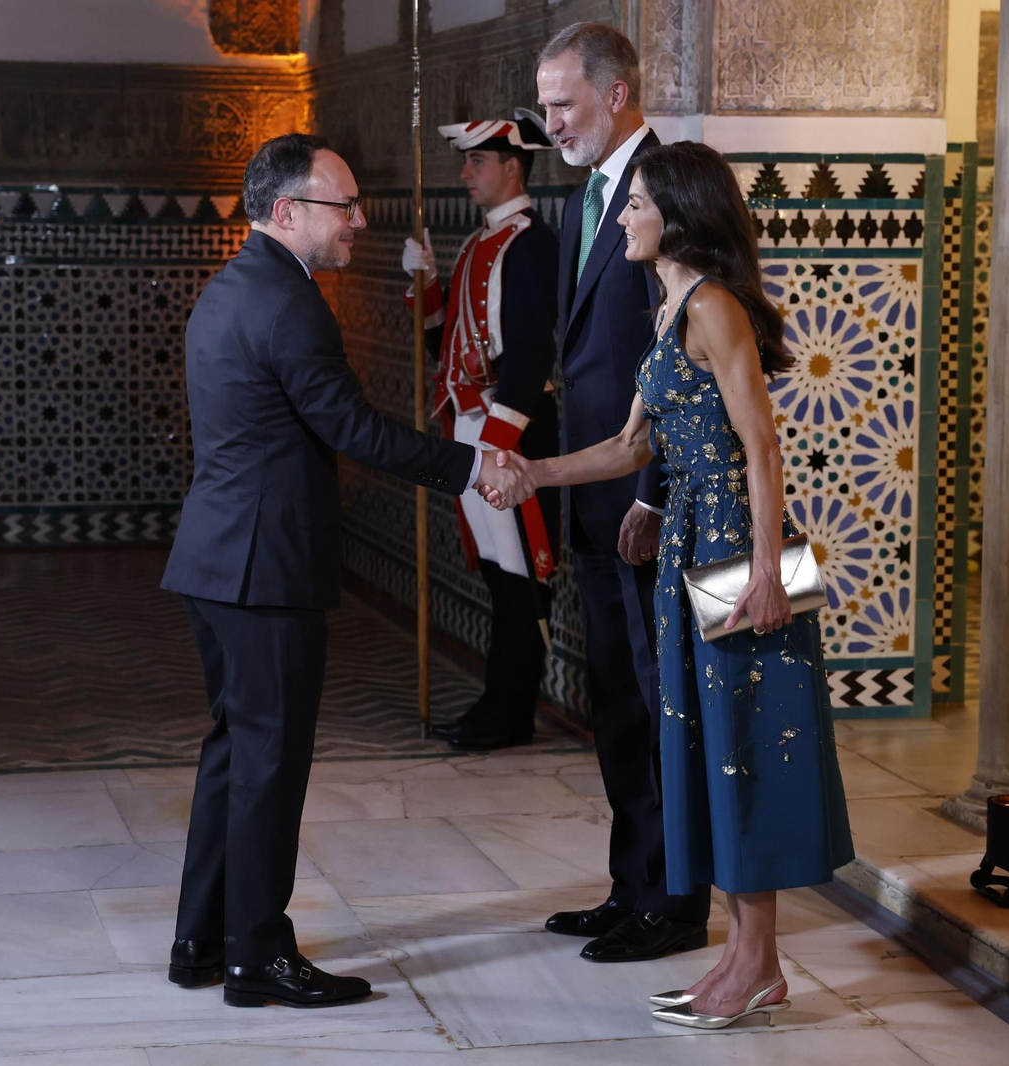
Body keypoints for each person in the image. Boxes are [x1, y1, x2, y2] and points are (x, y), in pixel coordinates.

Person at [490, 140, 854, 1028]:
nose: (623, 215)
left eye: (638, 203)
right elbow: (630, 446)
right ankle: (741, 957)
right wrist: (536, 474)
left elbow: (760, 446)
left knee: (740, 750)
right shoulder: (669, 308)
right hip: (689, 538)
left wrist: (767, 569)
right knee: (698, 747)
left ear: (679, 214)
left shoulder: (716, 307)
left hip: (736, 550)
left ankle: (757, 963)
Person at [159, 133, 526, 1010]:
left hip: (217, 564)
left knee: (234, 757)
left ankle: (200, 940)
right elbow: (352, 429)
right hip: (263, 570)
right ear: (288, 212)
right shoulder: (288, 304)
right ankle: (256, 958)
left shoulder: (232, 287)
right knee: (269, 766)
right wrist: (470, 465)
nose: (360, 219)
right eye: (343, 205)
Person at [534, 22, 711, 964]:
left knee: (660, 700)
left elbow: (686, 355)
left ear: (616, 93)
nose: (551, 121)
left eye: (563, 103)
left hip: (649, 506)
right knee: (615, 698)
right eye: (546, 103)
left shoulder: (672, 186)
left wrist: (648, 489)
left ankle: (679, 903)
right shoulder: (583, 201)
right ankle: (631, 883)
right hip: (595, 503)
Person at [399, 111, 562, 751]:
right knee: (498, 574)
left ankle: (509, 713)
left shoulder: (530, 244)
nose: (465, 173)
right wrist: (427, 283)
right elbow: (448, 346)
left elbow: (526, 358)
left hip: (509, 436)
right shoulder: (479, 243)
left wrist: (497, 445)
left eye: (477, 162)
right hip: (476, 432)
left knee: (520, 579)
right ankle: (500, 707)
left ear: (512, 167)